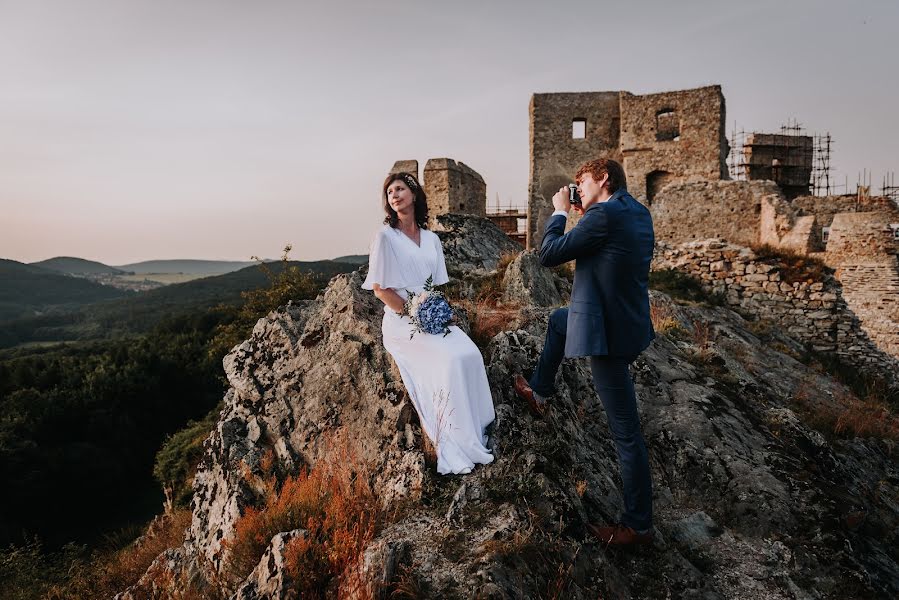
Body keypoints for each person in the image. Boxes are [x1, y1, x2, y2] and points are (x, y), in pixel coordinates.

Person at [513, 158, 656, 545]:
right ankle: (541, 391)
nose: (576, 188)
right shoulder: (637, 212)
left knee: (626, 433)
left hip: (606, 335)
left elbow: (548, 254)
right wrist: (588, 212)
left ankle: (637, 525)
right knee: (560, 321)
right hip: (628, 322)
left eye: (582, 181)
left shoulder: (603, 217)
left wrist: (560, 213)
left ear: (603, 178)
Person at [362, 172, 495, 475]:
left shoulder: (432, 239)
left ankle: (476, 428)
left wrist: (434, 311)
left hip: (430, 313)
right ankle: (456, 438)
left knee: (469, 354)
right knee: (449, 360)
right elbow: (381, 289)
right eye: (389, 192)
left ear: (414, 193)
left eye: (400, 189)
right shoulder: (384, 237)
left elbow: (435, 286)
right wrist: (413, 313)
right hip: (401, 322)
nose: (394, 195)